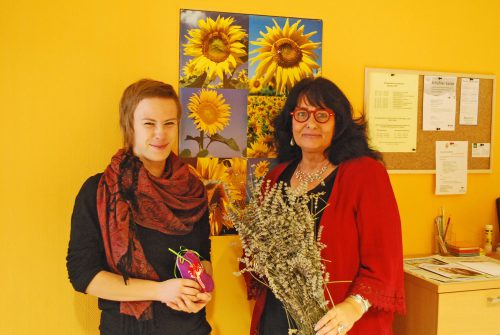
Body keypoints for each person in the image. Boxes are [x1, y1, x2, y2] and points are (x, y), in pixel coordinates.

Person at [244, 77, 405, 335]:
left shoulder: (365, 173)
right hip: (277, 320)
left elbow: (386, 259)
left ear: (338, 123)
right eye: (301, 114)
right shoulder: (276, 177)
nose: (310, 123)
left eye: (322, 115)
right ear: (291, 122)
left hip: (338, 323)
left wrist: (354, 305)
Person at [66, 79, 213, 335]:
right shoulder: (99, 191)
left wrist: (203, 289)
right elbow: (83, 275)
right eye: (149, 123)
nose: (160, 133)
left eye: (169, 123)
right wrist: (159, 291)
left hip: (192, 329)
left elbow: (202, 257)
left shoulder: (192, 188)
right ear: (129, 126)